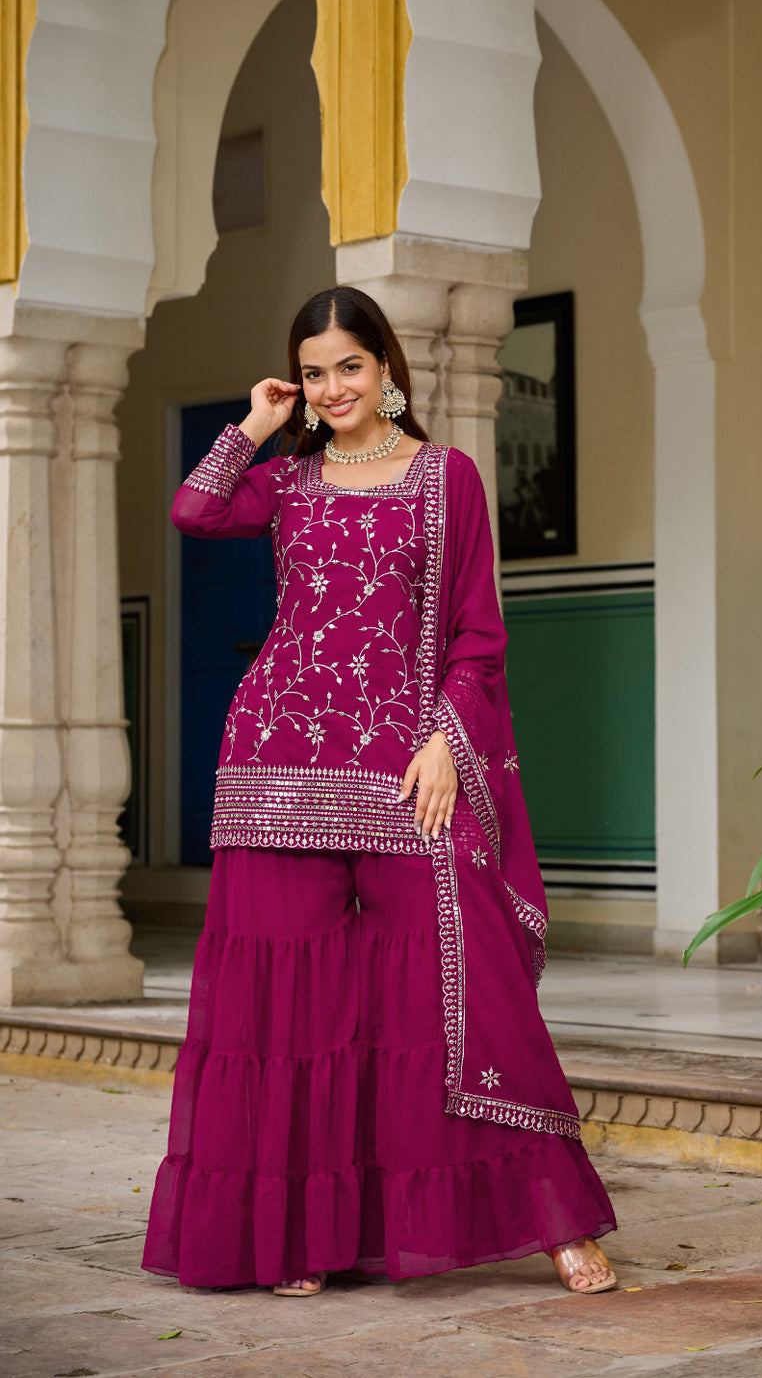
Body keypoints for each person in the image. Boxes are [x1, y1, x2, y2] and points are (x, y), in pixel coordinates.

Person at [142, 286, 617, 1298]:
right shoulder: (289, 480)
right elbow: (195, 509)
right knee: (291, 1010)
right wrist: (256, 425)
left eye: (347, 366)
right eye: (312, 372)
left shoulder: (446, 479)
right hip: (274, 766)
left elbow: (478, 638)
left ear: (387, 367)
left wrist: (447, 739)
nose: (332, 387)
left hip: (408, 766)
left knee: (467, 983)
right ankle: (300, 1237)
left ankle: (555, 1216)